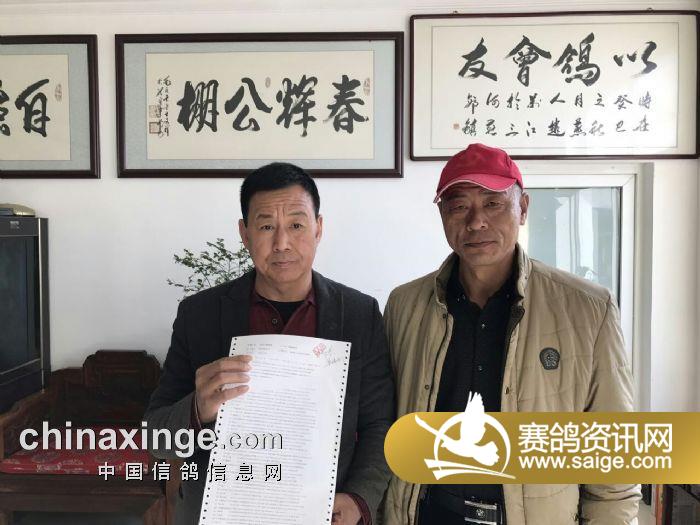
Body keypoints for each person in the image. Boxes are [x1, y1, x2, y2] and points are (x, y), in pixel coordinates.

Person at [382, 143, 640, 525]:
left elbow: (615, 464)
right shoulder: (404, 306)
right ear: (442, 215)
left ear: (523, 208)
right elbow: (381, 428)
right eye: (459, 206)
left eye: (493, 204)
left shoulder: (588, 309)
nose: (476, 222)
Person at [145, 162, 395, 525]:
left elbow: (379, 425)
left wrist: (359, 498)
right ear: (245, 234)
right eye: (266, 227)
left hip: (321, 514)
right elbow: (156, 437)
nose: (282, 243)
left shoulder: (359, 314)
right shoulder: (199, 315)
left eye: (296, 225)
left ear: (318, 228)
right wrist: (198, 408)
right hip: (221, 514)